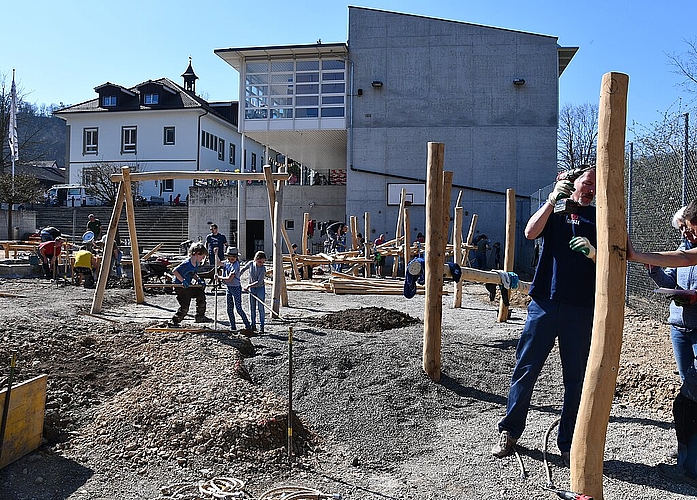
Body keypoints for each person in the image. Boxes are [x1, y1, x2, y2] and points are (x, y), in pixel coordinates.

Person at [491, 166, 597, 466]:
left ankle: (569, 443)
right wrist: (551, 201)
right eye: (585, 183)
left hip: (580, 306)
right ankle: (510, 432)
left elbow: (614, 258)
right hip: (544, 303)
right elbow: (529, 232)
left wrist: (593, 252)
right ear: (571, 185)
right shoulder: (557, 210)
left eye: (594, 185)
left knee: (575, 379)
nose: (590, 189)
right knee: (526, 369)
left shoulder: (600, 217)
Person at [628, 200, 697, 485]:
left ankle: (689, 467)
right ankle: (686, 460)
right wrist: (653, 267)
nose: (686, 236)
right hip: (680, 325)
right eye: (684, 230)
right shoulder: (684, 247)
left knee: (690, 396)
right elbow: (676, 268)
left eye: (690, 230)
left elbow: (684, 260)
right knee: (689, 393)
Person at [170, 242, 210, 326]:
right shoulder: (187, 263)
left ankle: (200, 316)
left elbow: (192, 273)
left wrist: (198, 280)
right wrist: (182, 280)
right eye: (202, 256)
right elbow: (174, 271)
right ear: (197, 253)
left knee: (200, 295)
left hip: (188, 285)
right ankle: (174, 321)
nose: (203, 259)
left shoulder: (195, 264)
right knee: (185, 307)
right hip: (180, 286)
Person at [218, 246, 252, 333]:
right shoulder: (227, 263)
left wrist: (219, 277)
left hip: (236, 288)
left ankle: (248, 325)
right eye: (229, 257)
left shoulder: (236, 265)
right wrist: (215, 254)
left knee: (238, 308)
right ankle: (233, 327)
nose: (230, 259)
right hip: (228, 288)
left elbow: (230, 278)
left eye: (233, 258)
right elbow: (218, 263)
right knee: (229, 308)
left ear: (236, 257)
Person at [242, 251, 267, 334]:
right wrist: (236, 276)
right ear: (256, 259)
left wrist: (248, 286)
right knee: (252, 307)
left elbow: (259, 282)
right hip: (252, 289)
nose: (261, 263)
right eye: (260, 262)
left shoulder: (263, 268)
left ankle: (262, 327)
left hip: (260, 288)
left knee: (260, 308)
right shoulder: (250, 264)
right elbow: (243, 269)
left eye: (263, 262)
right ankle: (253, 325)